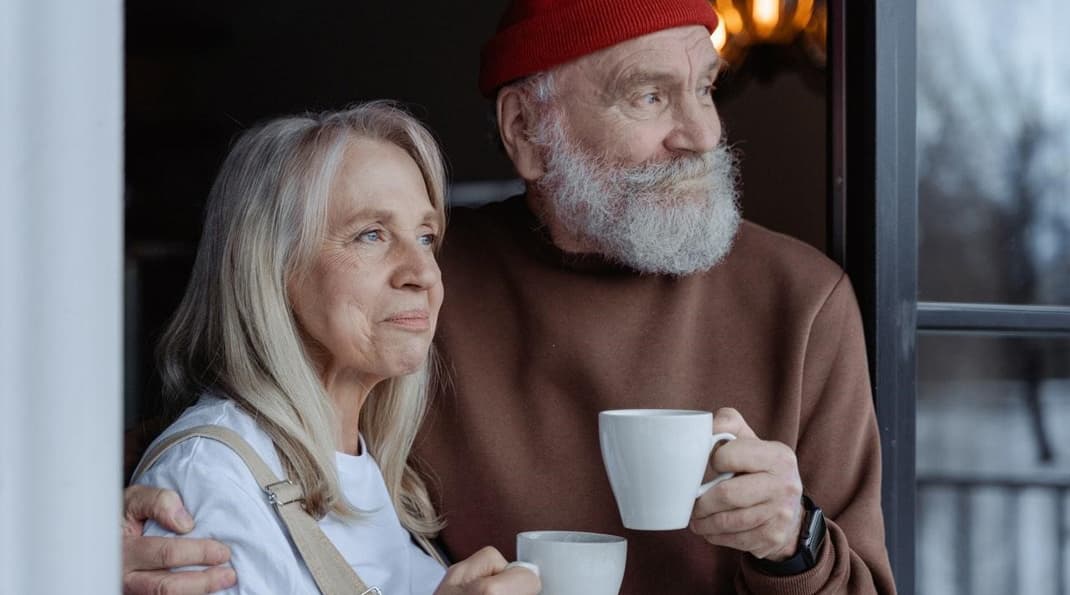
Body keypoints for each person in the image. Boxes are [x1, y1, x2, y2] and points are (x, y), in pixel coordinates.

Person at [123, 1, 898, 593]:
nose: (702, 133)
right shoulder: (420, 283)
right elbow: (247, 424)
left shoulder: (802, 299)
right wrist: (83, 532)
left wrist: (795, 542)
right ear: (527, 129)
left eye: (704, 87)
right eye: (650, 97)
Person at [126, 101, 540, 595]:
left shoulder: (360, 467)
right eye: (371, 234)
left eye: (426, 237)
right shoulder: (211, 481)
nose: (424, 273)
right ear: (273, 266)